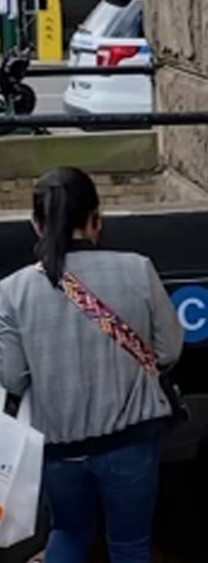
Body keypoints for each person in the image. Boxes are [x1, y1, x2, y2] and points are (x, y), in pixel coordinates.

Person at [0, 167, 184, 563]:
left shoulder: (12, 291)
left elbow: (12, 378)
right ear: (96, 219)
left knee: (68, 533)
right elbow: (168, 351)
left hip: (59, 452)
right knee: (131, 544)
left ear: (37, 225)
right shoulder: (138, 268)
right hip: (131, 444)